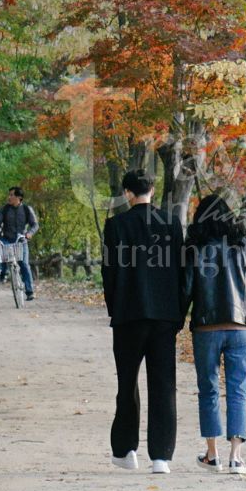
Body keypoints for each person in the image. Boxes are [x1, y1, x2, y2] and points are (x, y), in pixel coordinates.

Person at [100, 169, 186, 472]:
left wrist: (115, 308)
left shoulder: (116, 225)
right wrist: (179, 313)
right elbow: (181, 271)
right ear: (152, 190)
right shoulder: (171, 224)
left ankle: (126, 451)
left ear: (127, 193)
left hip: (128, 315)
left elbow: (108, 273)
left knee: (127, 383)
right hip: (165, 316)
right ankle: (161, 456)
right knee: (164, 385)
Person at [185, 189, 246, 474]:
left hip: (206, 327)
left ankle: (212, 455)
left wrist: (176, 321)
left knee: (207, 389)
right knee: (237, 390)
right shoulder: (244, 243)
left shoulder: (195, 245)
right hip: (240, 327)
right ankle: (236, 458)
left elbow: (186, 288)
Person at [0, 187, 40, 301]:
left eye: (11, 195)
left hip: (21, 240)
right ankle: (3, 274)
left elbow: (35, 225)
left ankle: (29, 291)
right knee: (2, 254)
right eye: (9, 195)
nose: (9, 197)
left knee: (24, 264)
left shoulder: (26, 209)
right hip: (7, 239)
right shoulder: (4, 209)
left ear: (19, 197)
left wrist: (29, 233)